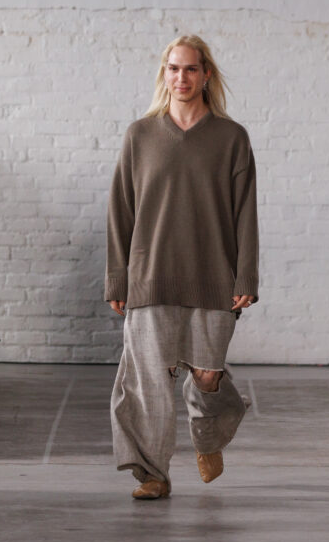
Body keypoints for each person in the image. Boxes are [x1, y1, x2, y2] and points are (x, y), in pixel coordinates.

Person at [105, 34, 258, 500]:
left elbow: (245, 213)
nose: (182, 77)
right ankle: (153, 473)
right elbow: (121, 211)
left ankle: (208, 436)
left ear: (206, 74)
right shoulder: (140, 135)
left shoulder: (231, 138)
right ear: (164, 74)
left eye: (191, 69)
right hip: (150, 276)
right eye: (174, 68)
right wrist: (117, 278)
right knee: (149, 384)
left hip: (213, 276)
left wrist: (246, 276)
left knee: (207, 376)